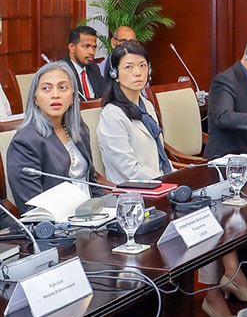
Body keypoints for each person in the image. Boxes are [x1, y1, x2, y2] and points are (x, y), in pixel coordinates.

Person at [6, 62, 104, 213]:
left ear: (72, 96)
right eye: (46, 88)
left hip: (93, 217)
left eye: (63, 87)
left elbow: (92, 183)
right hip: (58, 228)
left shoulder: (79, 130)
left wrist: (105, 211)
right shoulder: (25, 142)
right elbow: (32, 207)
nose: (55, 95)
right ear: (35, 98)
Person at [96, 41, 174, 184]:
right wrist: (167, 182)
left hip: (159, 184)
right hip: (133, 193)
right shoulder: (112, 115)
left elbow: (159, 157)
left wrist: (178, 176)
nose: (138, 73)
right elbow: (129, 170)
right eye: (128, 67)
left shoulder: (147, 105)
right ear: (115, 74)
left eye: (142, 66)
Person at [58, 26, 103, 101]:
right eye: (86, 46)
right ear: (72, 47)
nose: (91, 52)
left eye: (94, 47)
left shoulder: (93, 68)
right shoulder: (62, 71)